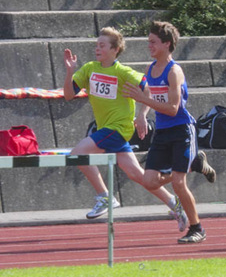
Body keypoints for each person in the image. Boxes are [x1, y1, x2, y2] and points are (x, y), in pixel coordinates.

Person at [63, 26, 190, 233]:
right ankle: (175, 204)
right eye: (96, 45)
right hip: (107, 128)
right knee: (138, 175)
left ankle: (105, 197)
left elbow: (148, 88)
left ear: (115, 50)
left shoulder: (123, 72)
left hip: (119, 128)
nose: (97, 48)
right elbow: (68, 95)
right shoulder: (88, 69)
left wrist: (141, 115)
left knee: (78, 154)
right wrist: (69, 72)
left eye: (102, 45)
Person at [122, 21, 211, 244]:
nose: (149, 45)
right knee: (150, 181)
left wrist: (144, 99)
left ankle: (196, 228)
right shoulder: (151, 69)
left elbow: (173, 109)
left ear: (166, 44)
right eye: (148, 42)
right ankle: (194, 164)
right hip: (162, 132)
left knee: (179, 184)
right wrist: (142, 113)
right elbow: (149, 94)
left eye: (153, 42)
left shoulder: (174, 71)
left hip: (181, 130)